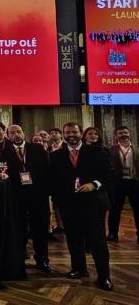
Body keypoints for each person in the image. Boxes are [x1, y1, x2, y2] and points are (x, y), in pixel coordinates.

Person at [49, 122, 113, 291]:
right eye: (67, 132)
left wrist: (94, 184)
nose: (71, 134)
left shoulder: (97, 151)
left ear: (81, 133)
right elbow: (53, 181)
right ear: (63, 134)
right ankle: (79, 269)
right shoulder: (56, 156)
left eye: (74, 132)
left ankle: (104, 276)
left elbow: (110, 174)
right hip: (69, 206)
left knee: (98, 241)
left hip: (94, 203)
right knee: (74, 239)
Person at [5, 125, 52, 274]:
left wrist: (44, 190)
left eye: (18, 132)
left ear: (24, 133)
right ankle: (19, 258)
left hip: (37, 195)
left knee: (40, 228)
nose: (16, 135)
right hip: (16, 197)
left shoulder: (37, 148)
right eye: (12, 133)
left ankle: (42, 259)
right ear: (8, 136)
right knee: (18, 228)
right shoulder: (5, 152)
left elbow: (48, 169)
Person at [108, 126, 139, 243]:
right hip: (118, 184)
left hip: (134, 182)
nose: (123, 134)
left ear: (129, 133)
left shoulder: (136, 149)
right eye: (120, 133)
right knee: (114, 210)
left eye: (125, 132)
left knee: (137, 209)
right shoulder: (111, 150)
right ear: (116, 136)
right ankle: (112, 234)